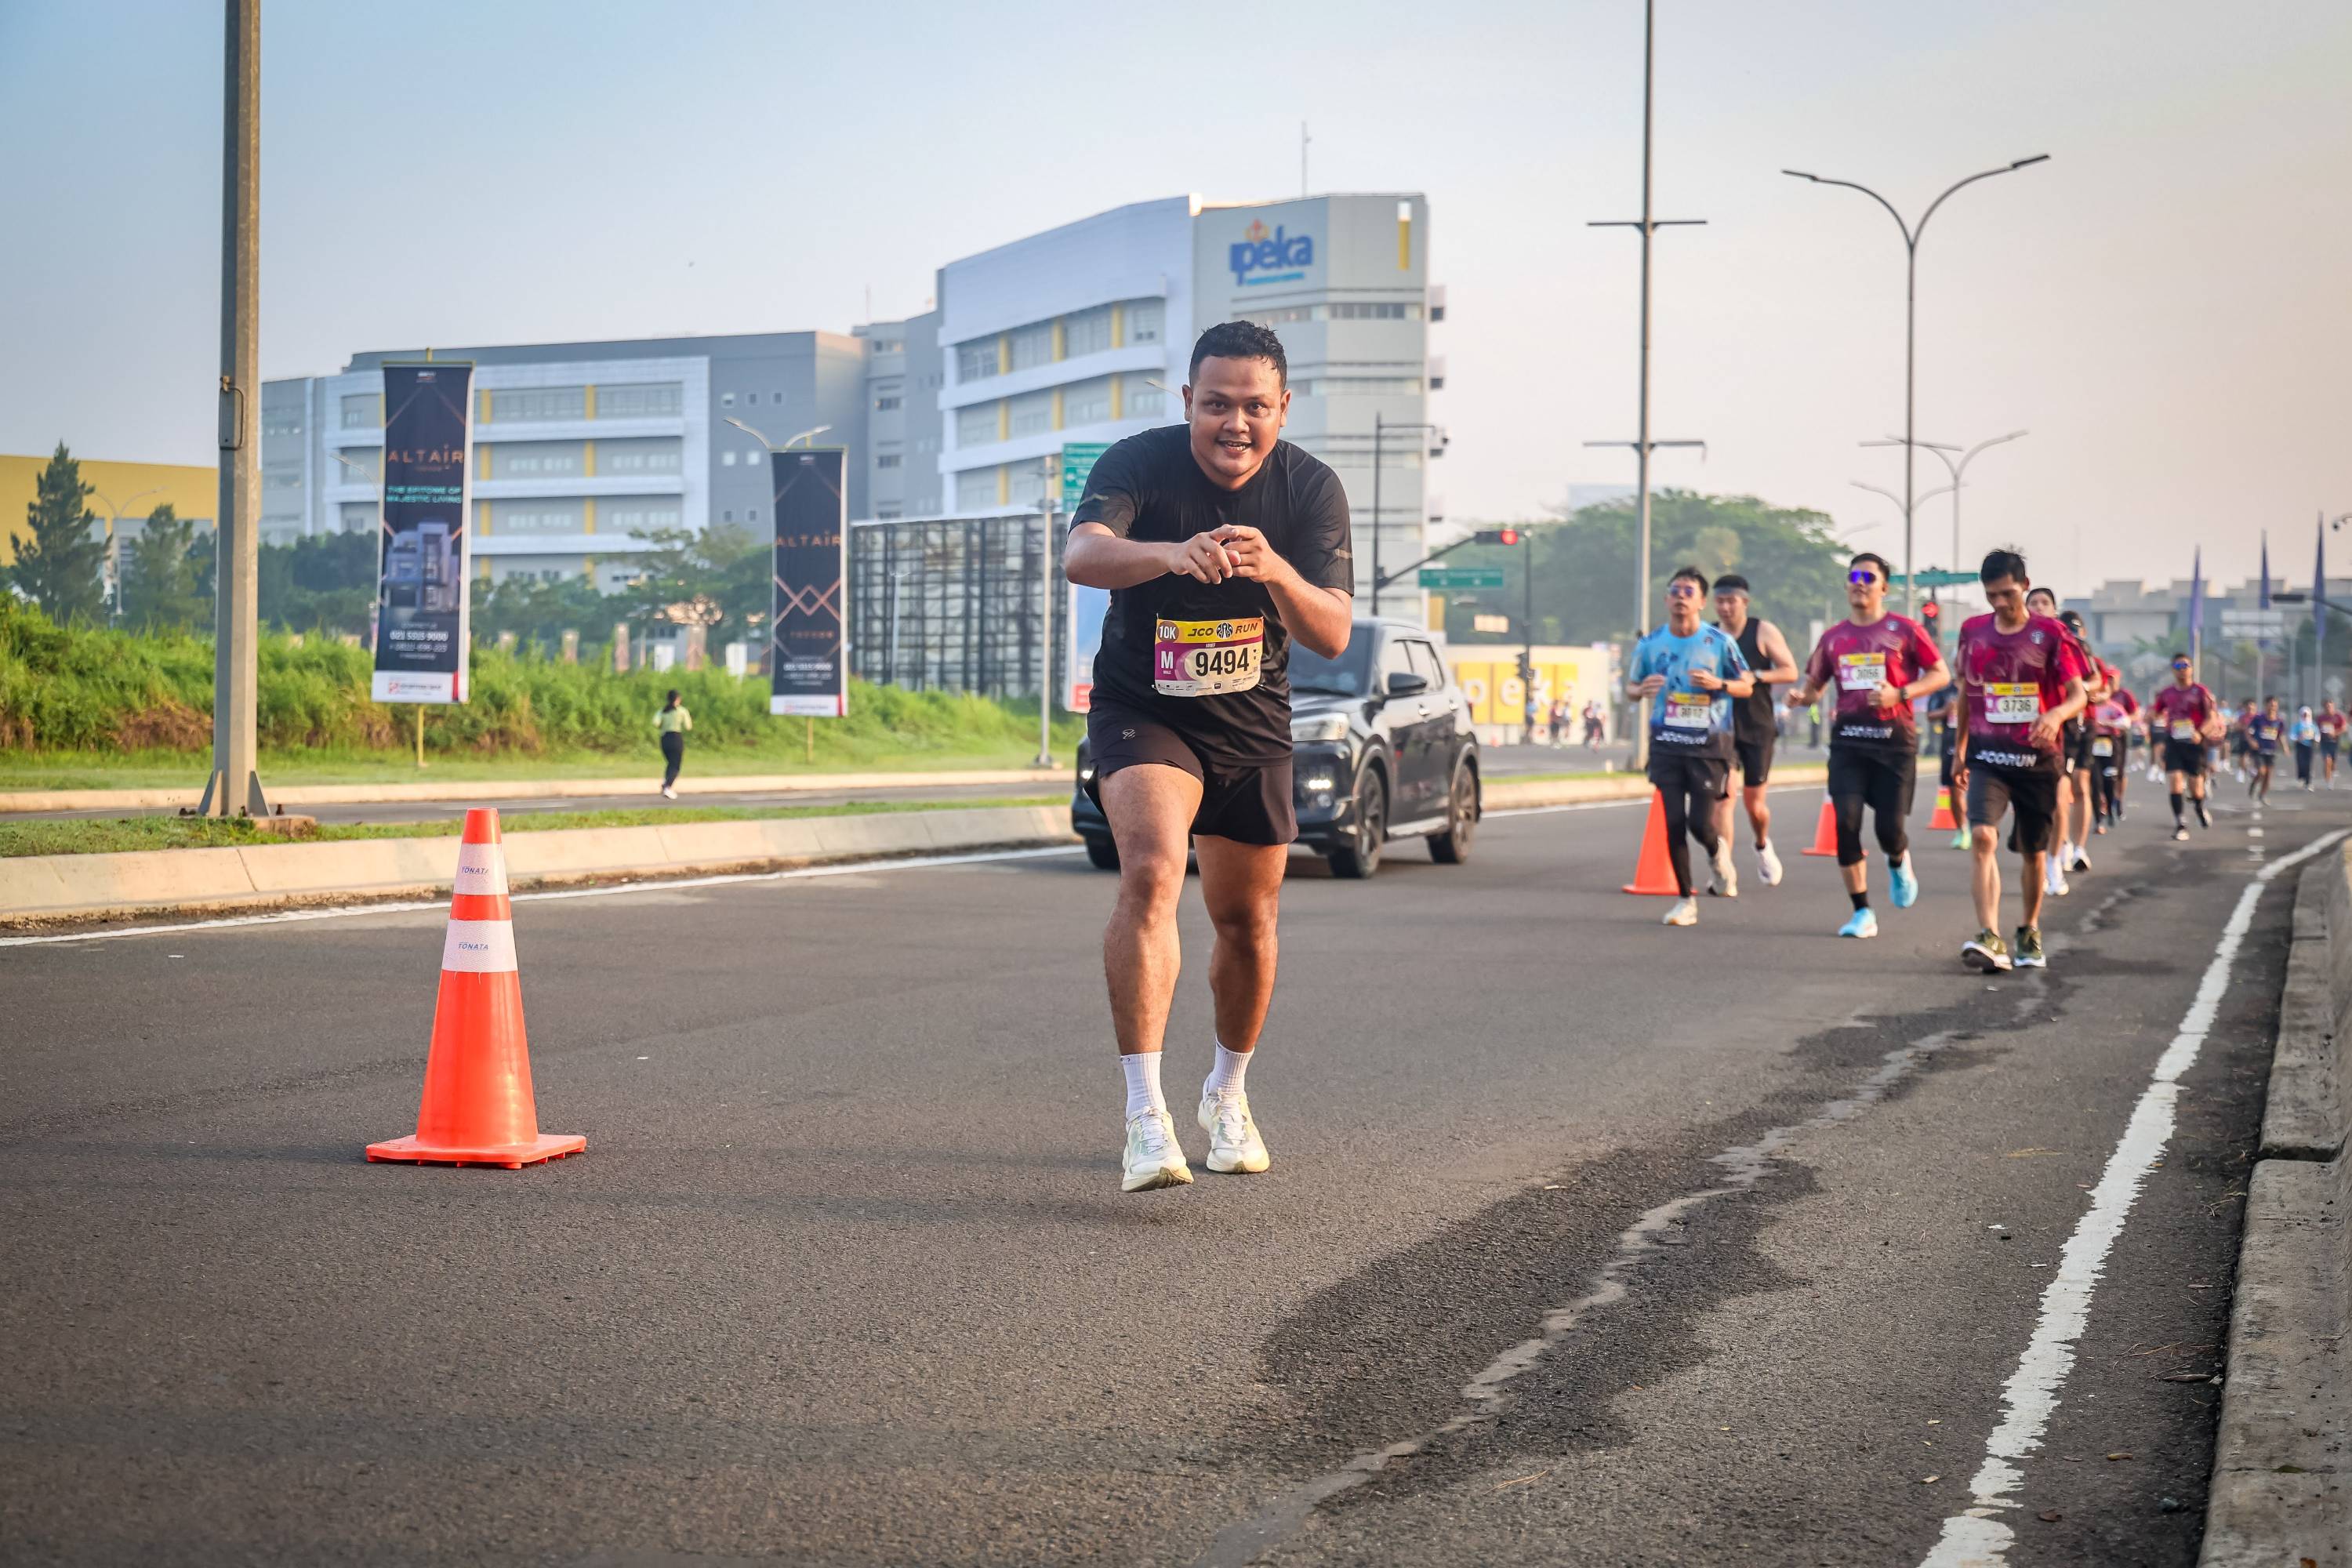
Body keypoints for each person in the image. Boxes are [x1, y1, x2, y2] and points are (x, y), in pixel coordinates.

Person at [1063, 321, 1354, 1193]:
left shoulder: (1311, 488)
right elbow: (1081, 553)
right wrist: (1167, 553)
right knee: (1153, 872)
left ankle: (1226, 1091)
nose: (1236, 423)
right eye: (1217, 404)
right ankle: (1144, 1114)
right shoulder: (1140, 463)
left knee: (1247, 919)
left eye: (1255, 406)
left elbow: (1333, 632)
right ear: (1189, 401)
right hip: (1144, 710)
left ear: (1283, 408)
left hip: (1251, 722)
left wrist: (1277, 573)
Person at [1784, 551, 1950, 938]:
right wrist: (1801, 697)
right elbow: (1814, 686)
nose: (1859, 584)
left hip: (1895, 744)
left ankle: (1898, 859)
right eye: (1854, 577)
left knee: (1889, 831)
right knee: (1846, 823)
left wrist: (1900, 693)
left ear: (1884, 588)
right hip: (1848, 745)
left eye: (1868, 578)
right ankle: (1862, 911)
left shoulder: (1905, 630)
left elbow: (1940, 674)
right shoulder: (1834, 637)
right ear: (1846, 585)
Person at [1952, 548, 2090, 973]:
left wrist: (2055, 715)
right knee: (1982, 837)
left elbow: (2079, 694)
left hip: (2038, 761)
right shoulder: (1973, 632)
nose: (2000, 603)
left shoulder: (2051, 634)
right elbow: (1966, 692)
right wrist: (1959, 750)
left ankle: (2029, 929)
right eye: (1991, 595)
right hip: (1988, 757)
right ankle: (1989, 934)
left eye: (2007, 594)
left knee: (2033, 853)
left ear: (2025, 587)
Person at [1626, 565, 1755, 927]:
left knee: (1700, 823)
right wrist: (1641, 689)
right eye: (1675, 591)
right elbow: (1631, 688)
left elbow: (1747, 685)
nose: (1681, 598)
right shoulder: (1650, 644)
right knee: (1672, 822)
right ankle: (1685, 900)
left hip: (1708, 746)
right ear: (1666, 599)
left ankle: (1717, 855)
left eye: (1688, 592)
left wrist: (1719, 684)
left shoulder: (1719, 642)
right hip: (1666, 743)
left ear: (1701, 602)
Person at [1711, 573, 1799, 887]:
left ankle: (1762, 845)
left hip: (1758, 727)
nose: (1725, 608)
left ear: (1745, 602)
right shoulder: (1710, 635)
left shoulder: (1762, 631)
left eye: (1731, 601)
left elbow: (1790, 670)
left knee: (1755, 806)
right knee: (1724, 799)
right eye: (1720, 601)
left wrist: (1757, 676)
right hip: (1723, 728)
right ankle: (1723, 871)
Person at [2148, 652, 2220, 840]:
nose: (2182, 670)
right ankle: (2180, 823)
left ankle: (2199, 807)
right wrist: (2152, 718)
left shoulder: (2201, 692)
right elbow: (2156, 712)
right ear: (2173, 670)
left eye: (2185, 666)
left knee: (2196, 787)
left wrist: (2200, 733)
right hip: (2174, 741)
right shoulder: (2167, 693)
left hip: (2195, 742)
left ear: (2192, 669)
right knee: (2175, 780)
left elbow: (2212, 718)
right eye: (2178, 667)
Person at [654, 689, 692, 799]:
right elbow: (688, 727)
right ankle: (668, 787)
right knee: (676, 766)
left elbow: (655, 723)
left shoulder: (663, 711)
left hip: (664, 739)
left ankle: (665, 782)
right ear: (678, 699)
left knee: (671, 763)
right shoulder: (682, 711)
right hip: (676, 738)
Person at [2249, 696, 2285, 802]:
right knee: (2262, 772)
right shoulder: (2258, 718)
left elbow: (2280, 735)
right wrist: (2252, 741)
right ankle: (2254, 784)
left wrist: (2285, 747)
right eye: (2271, 705)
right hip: (2259, 750)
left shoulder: (2279, 721)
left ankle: (2262, 795)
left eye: (2275, 705)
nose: (2273, 707)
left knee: (2268, 776)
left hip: (2271, 751)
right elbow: (2249, 731)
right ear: (2266, 705)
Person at [2292, 705, 2321, 789]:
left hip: (2310, 746)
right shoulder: (2297, 726)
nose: (2305, 717)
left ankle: (2308, 782)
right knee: (2301, 762)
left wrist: (2315, 739)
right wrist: (2298, 738)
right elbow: (2292, 735)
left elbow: (2317, 735)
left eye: (2307, 715)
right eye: (2304, 715)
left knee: (2308, 764)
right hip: (2300, 746)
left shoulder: (2313, 726)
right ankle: (2301, 776)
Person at [2323, 699, 2347, 787]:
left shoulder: (2338, 716)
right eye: (2327, 707)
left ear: (2333, 707)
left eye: (2330, 706)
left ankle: (2332, 774)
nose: (2328, 708)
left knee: (2333, 763)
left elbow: (2344, 728)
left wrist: (2335, 733)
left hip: (2335, 743)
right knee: (2327, 760)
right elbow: (2317, 728)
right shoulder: (2321, 717)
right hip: (2324, 742)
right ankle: (2328, 781)